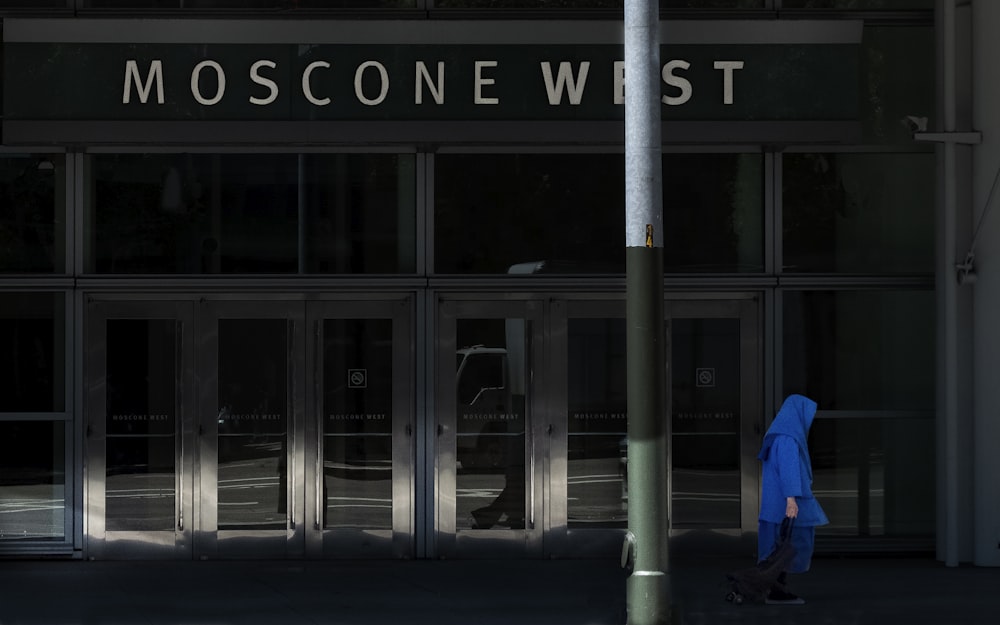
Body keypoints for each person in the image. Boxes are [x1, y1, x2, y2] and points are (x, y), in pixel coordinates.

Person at [757, 394, 829, 605]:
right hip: (788, 506)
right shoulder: (789, 440)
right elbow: (789, 471)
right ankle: (776, 592)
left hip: (775, 506)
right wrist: (791, 499)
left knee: (777, 550)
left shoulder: (778, 437)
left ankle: (771, 589)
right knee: (787, 549)